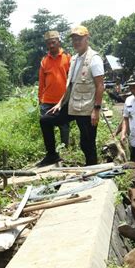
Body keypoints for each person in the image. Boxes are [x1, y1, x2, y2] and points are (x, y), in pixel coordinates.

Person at [40, 25, 105, 166]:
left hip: (87, 108)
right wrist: (60, 103)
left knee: (87, 143)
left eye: (79, 39)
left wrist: (96, 109)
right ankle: (52, 155)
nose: (76, 42)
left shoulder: (94, 59)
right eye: (74, 39)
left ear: (87, 38)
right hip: (72, 105)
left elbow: (100, 85)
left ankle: (92, 169)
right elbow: (71, 85)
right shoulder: (74, 58)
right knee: (46, 120)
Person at [37, 30, 71, 165]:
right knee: (46, 126)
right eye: (48, 43)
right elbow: (41, 81)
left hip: (63, 100)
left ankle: (66, 152)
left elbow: (72, 79)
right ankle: (51, 154)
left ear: (58, 42)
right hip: (47, 100)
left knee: (64, 126)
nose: (51, 45)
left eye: (53, 42)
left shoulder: (68, 57)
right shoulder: (44, 61)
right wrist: (40, 99)